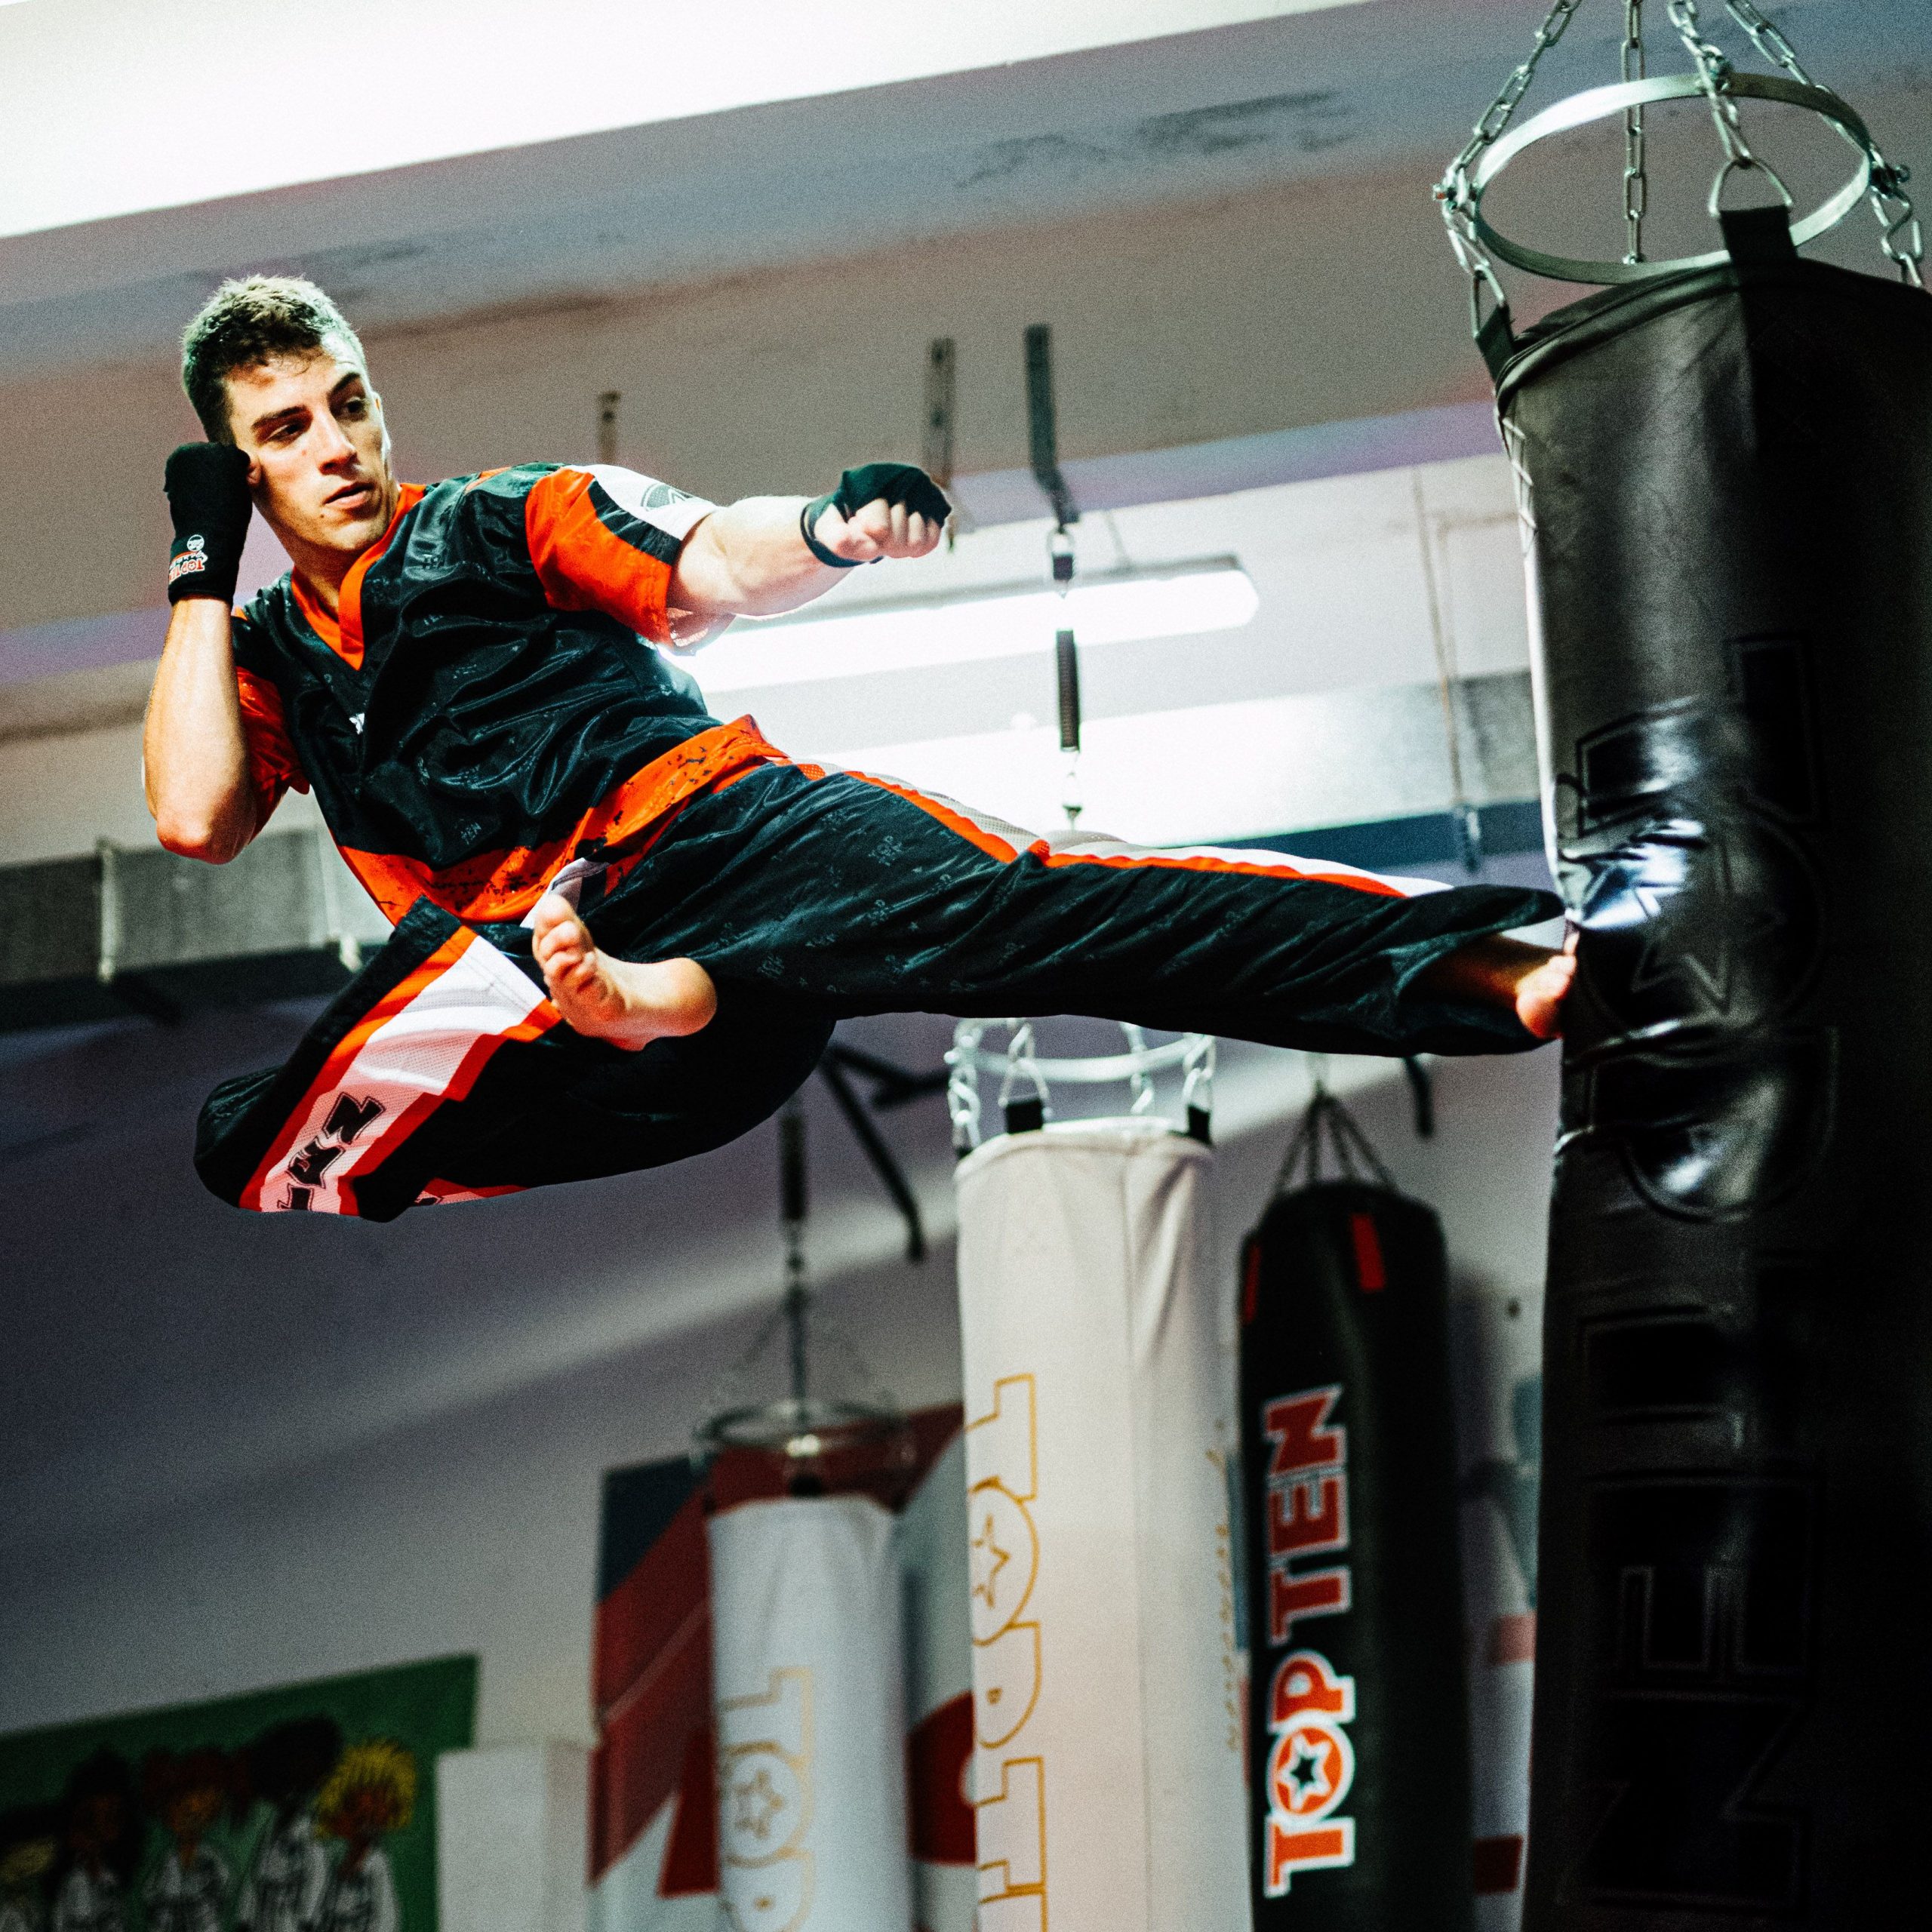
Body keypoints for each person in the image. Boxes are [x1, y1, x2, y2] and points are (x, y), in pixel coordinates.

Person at [146, 277, 1574, 1220]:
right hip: (547, 983)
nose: (337, 446)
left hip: (732, 850)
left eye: (351, 404)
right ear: (239, 465)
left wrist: (833, 530)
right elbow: (198, 817)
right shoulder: (258, 655)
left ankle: (1480, 971)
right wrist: (202, 568)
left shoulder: (502, 517)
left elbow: (712, 555)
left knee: (1052, 910)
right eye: (287, 429)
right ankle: (655, 1007)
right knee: (253, 1145)